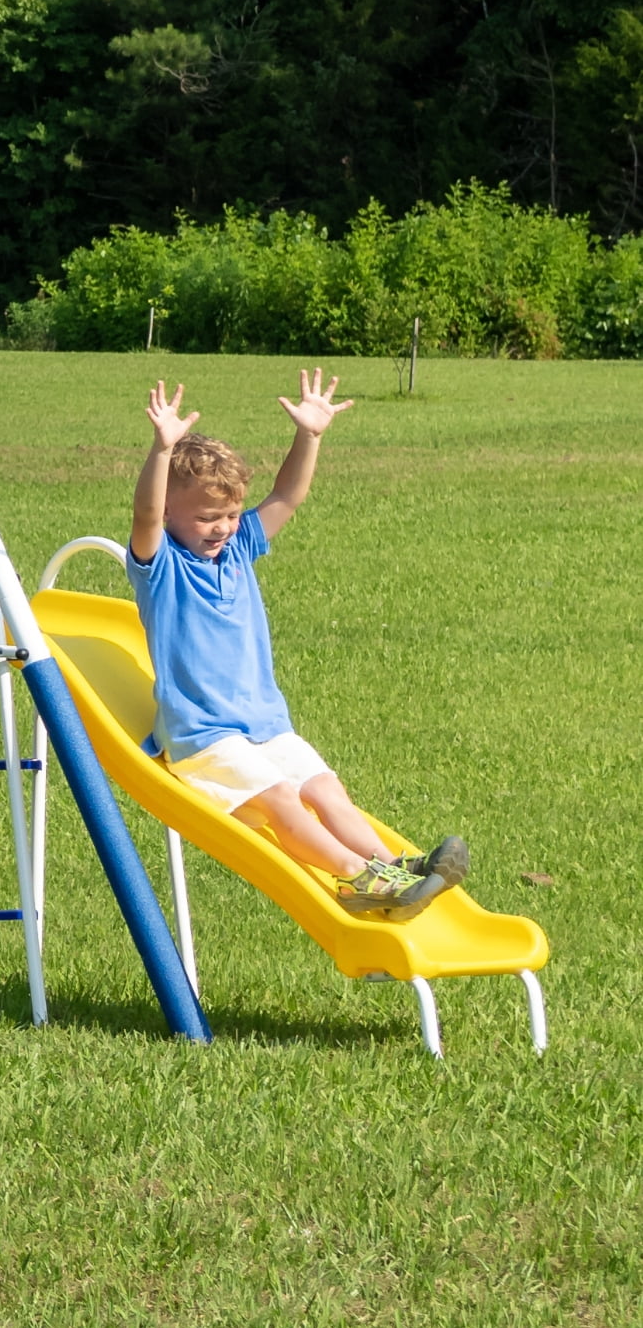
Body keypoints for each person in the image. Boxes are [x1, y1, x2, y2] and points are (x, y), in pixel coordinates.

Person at [130, 370, 466, 919]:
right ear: (170, 514)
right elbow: (143, 515)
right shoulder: (162, 566)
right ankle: (364, 881)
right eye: (207, 517)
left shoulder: (238, 551)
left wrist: (309, 435)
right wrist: (162, 451)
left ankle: (400, 870)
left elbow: (288, 494)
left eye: (232, 515)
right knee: (284, 802)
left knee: (326, 790)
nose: (223, 528)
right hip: (205, 737)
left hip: (266, 723)